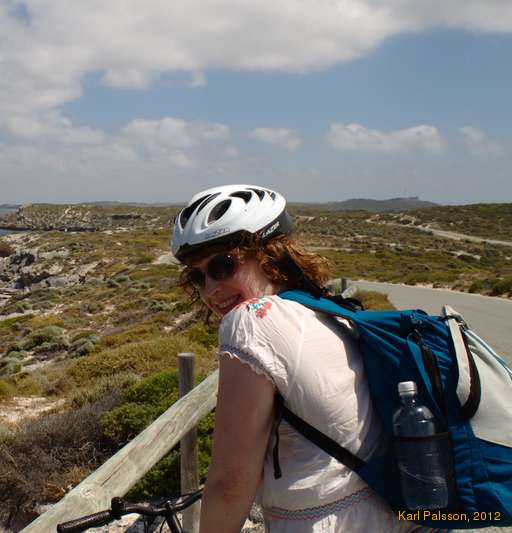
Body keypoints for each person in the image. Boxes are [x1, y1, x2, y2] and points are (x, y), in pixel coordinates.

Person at [171, 185, 429, 533]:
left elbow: (230, 482)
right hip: (395, 514)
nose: (210, 289)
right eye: (196, 277)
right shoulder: (324, 308)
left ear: (268, 254)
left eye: (223, 265)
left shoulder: (250, 321)